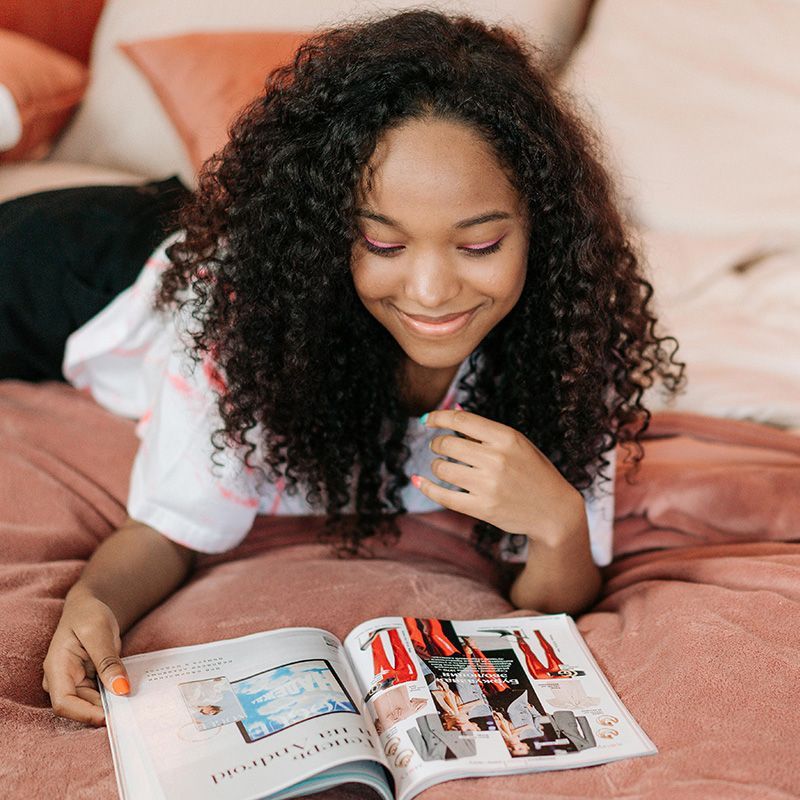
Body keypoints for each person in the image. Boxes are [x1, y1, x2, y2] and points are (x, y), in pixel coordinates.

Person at [34, 10, 683, 726]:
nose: (433, 292)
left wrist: (559, 523)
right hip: (78, 271)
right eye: (382, 242)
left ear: (543, 232)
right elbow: (167, 527)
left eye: (479, 246)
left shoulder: (571, 338)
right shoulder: (242, 321)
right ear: (330, 237)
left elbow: (556, 595)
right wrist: (92, 602)